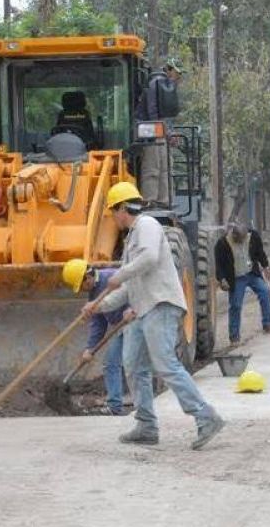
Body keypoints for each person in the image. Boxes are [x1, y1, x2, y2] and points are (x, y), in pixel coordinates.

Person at [83, 181, 224, 450]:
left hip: (160, 304)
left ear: (123, 208)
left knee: (166, 364)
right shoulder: (131, 238)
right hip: (141, 309)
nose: (113, 218)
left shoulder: (147, 225)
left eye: (114, 211)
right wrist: (97, 307)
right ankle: (146, 425)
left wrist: (119, 275)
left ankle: (206, 416)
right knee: (133, 364)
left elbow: (147, 259)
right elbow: (126, 289)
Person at [62, 258, 132, 416]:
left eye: (81, 286)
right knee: (111, 363)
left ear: (87, 277)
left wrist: (129, 308)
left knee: (134, 365)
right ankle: (115, 406)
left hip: (134, 321)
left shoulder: (112, 278)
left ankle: (139, 405)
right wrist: (90, 349)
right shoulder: (93, 292)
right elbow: (98, 323)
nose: (81, 290)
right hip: (120, 326)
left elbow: (134, 290)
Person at [214, 220, 270, 344]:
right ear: (233, 235)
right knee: (236, 305)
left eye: (242, 240)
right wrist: (222, 279)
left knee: (265, 292)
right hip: (236, 277)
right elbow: (219, 265)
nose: (240, 242)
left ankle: (268, 324)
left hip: (251, 273)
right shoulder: (222, 244)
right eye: (237, 240)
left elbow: (260, 253)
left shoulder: (253, 236)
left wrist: (266, 267)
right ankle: (234, 336)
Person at [139, 59, 182, 206]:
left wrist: (168, 133)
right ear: (169, 69)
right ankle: (150, 200)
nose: (179, 77)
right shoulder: (157, 83)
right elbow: (153, 112)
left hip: (160, 133)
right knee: (153, 168)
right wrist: (165, 132)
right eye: (178, 73)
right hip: (151, 134)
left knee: (165, 168)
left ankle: (164, 201)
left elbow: (165, 115)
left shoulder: (164, 85)